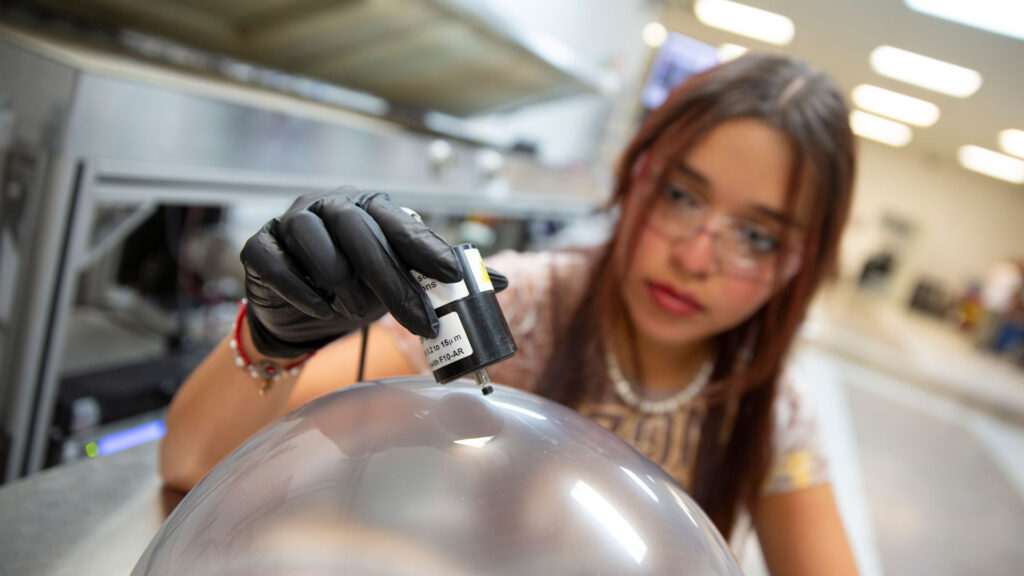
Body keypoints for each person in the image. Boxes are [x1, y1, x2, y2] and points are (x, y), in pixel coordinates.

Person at [161, 53, 858, 575]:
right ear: (636, 176)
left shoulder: (767, 411)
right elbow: (194, 462)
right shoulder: (514, 307)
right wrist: (273, 337)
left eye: (757, 236)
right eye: (681, 196)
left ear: (804, 263)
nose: (698, 256)